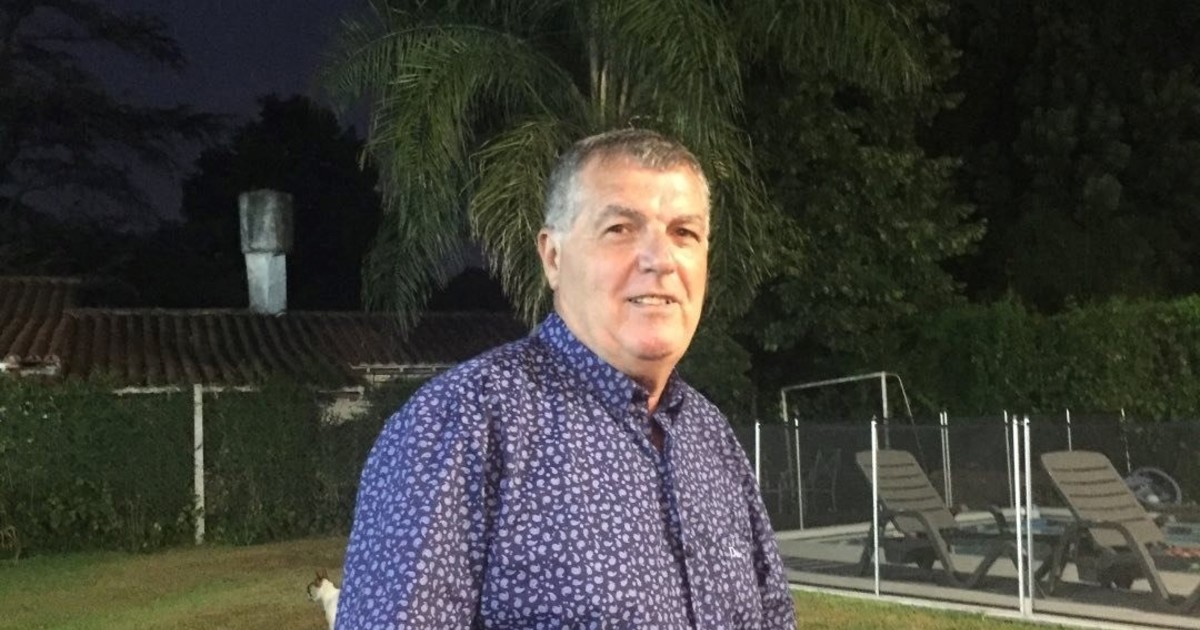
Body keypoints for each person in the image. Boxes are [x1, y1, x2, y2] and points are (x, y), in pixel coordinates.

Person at [336, 129, 795, 628]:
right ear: (553, 257)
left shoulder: (710, 438)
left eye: (684, 232)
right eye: (620, 228)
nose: (661, 260)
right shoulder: (460, 425)